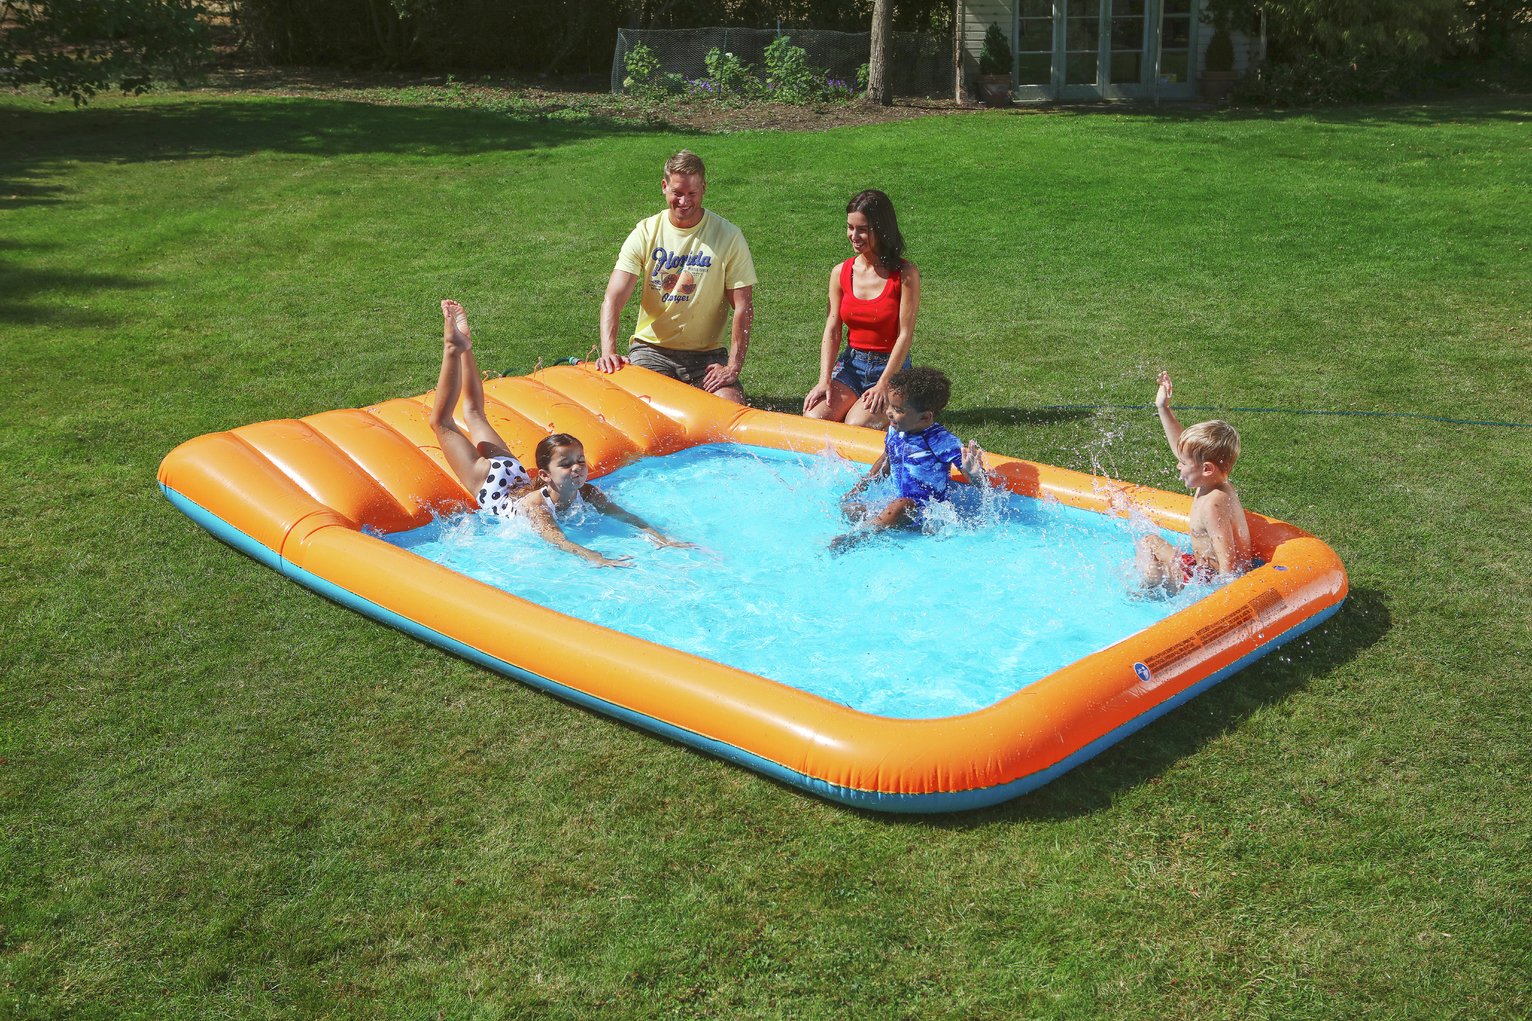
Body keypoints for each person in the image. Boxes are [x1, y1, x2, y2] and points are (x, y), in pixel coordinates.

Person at [429, 300, 690, 567]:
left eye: (579, 460)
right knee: (441, 422)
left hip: (512, 472)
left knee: (474, 413)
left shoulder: (587, 492)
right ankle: (453, 348)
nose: (577, 468)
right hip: (490, 482)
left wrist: (660, 537)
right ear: (544, 474)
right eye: (566, 464)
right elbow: (557, 540)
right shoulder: (536, 506)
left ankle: (466, 346)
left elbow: (626, 517)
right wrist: (595, 557)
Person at [595, 150, 756, 404]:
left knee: (729, 407)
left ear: (703, 188)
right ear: (664, 187)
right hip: (651, 350)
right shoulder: (646, 232)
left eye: (692, 193)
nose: (684, 201)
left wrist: (733, 366)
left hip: (706, 356)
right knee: (644, 409)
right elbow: (613, 298)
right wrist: (609, 352)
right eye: (677, 193)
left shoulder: (728, 236)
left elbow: (743, 307)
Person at [830, 366, 986, 553]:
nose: (888, 412)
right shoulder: (896, 429)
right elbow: (886, 459)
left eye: (897, 409)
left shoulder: (940, 440)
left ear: (925, 417)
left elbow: (981, 485)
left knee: (901, 505)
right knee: (850, 508)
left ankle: (857, 538)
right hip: (898, 505)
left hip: (925, 512)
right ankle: (879, 528)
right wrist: (861, 486)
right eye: (889, 405)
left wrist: (975, 474)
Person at [803, 189, 920, 429]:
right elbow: (833, 328)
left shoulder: (905, 275)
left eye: (862, 229)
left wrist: (884, 383)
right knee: (814, 418)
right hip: (851, 365)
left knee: (857, 424)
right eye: (850, 227)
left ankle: (901, 407)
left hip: (891, 368)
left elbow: (905, 335)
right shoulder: (840, 272)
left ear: (881, 228)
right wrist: (824, 379)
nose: (853, 236)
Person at [1131, 370, 1256, 594]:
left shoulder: (1212, 504)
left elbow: (1228, 563)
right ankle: (1150, 589)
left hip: (1206, 581)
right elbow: (1182, 447)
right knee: (1150, 541)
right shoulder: (1214, 485)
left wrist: (1225, 599)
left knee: (1149, 544)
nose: (1178, 465)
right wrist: (1163, 408)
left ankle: (1146, 595)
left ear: (1206, 469)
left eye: (1183, 462)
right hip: (1203, 570)